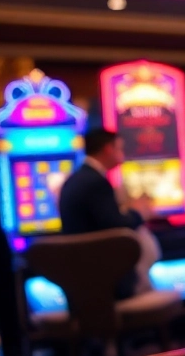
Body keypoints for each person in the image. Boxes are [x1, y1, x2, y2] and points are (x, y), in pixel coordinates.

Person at [58, 127, 157, 300]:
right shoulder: (95, 182)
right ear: (108, 149)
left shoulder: (78, 178)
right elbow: (116, 225)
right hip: (105, 280)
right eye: (120, 148)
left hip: (81, 278)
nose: (122, 154)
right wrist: (140, 213)